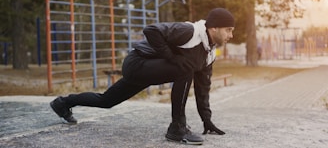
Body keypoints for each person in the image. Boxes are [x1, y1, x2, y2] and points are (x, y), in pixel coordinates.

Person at [50, 8, 235, 145]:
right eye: (228, 30)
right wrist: (172, 58)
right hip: (137, 63)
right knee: (185, 68)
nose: (231, 35)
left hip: (149, 70)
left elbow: (203, 88)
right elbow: (151, 30)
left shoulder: (209, 53)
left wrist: (207, 119)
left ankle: (63, 103)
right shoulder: (190, 32)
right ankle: (177, 128)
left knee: (106, 100)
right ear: (214, 28)